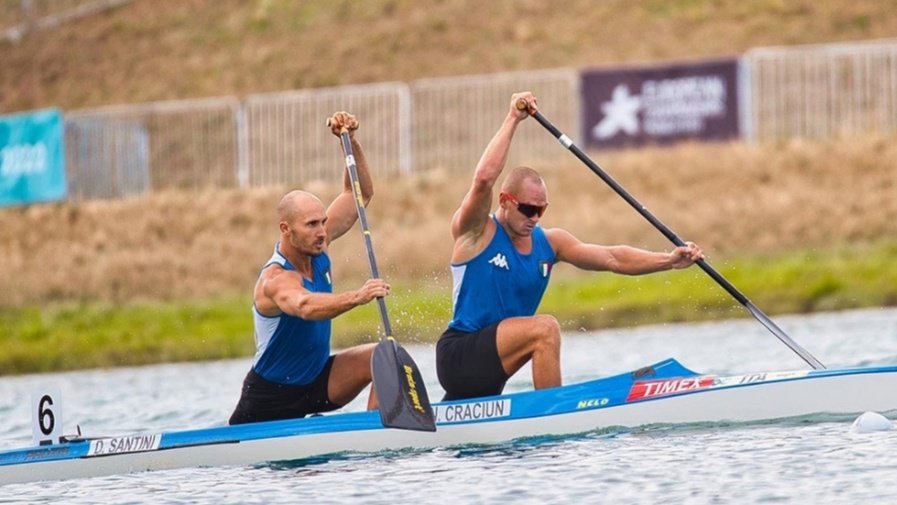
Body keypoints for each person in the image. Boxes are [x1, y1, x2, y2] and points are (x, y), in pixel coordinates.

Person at [436, 92, 705, 401]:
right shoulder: (475, 231)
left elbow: (612, 258)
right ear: (505, 201)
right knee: (545, 329)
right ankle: (555, 411)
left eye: (542, 210)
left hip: (491, 372)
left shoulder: (550, 243)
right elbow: (483, 179)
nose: (535, 218)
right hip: (458, 356)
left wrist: (668, 260)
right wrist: (513, 119)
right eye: (528, 209)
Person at [229, 111, 389, 425]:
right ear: (285, 229)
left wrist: (351, 143)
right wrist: (357, 297)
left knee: (386, 357)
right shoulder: (275, 280)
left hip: (317, 382)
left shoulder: (319, 246)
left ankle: (379, 431)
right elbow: (304, 305)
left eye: (323, 222)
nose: (321, 231)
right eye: (312, 224)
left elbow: (358, 194)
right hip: (270, 398)